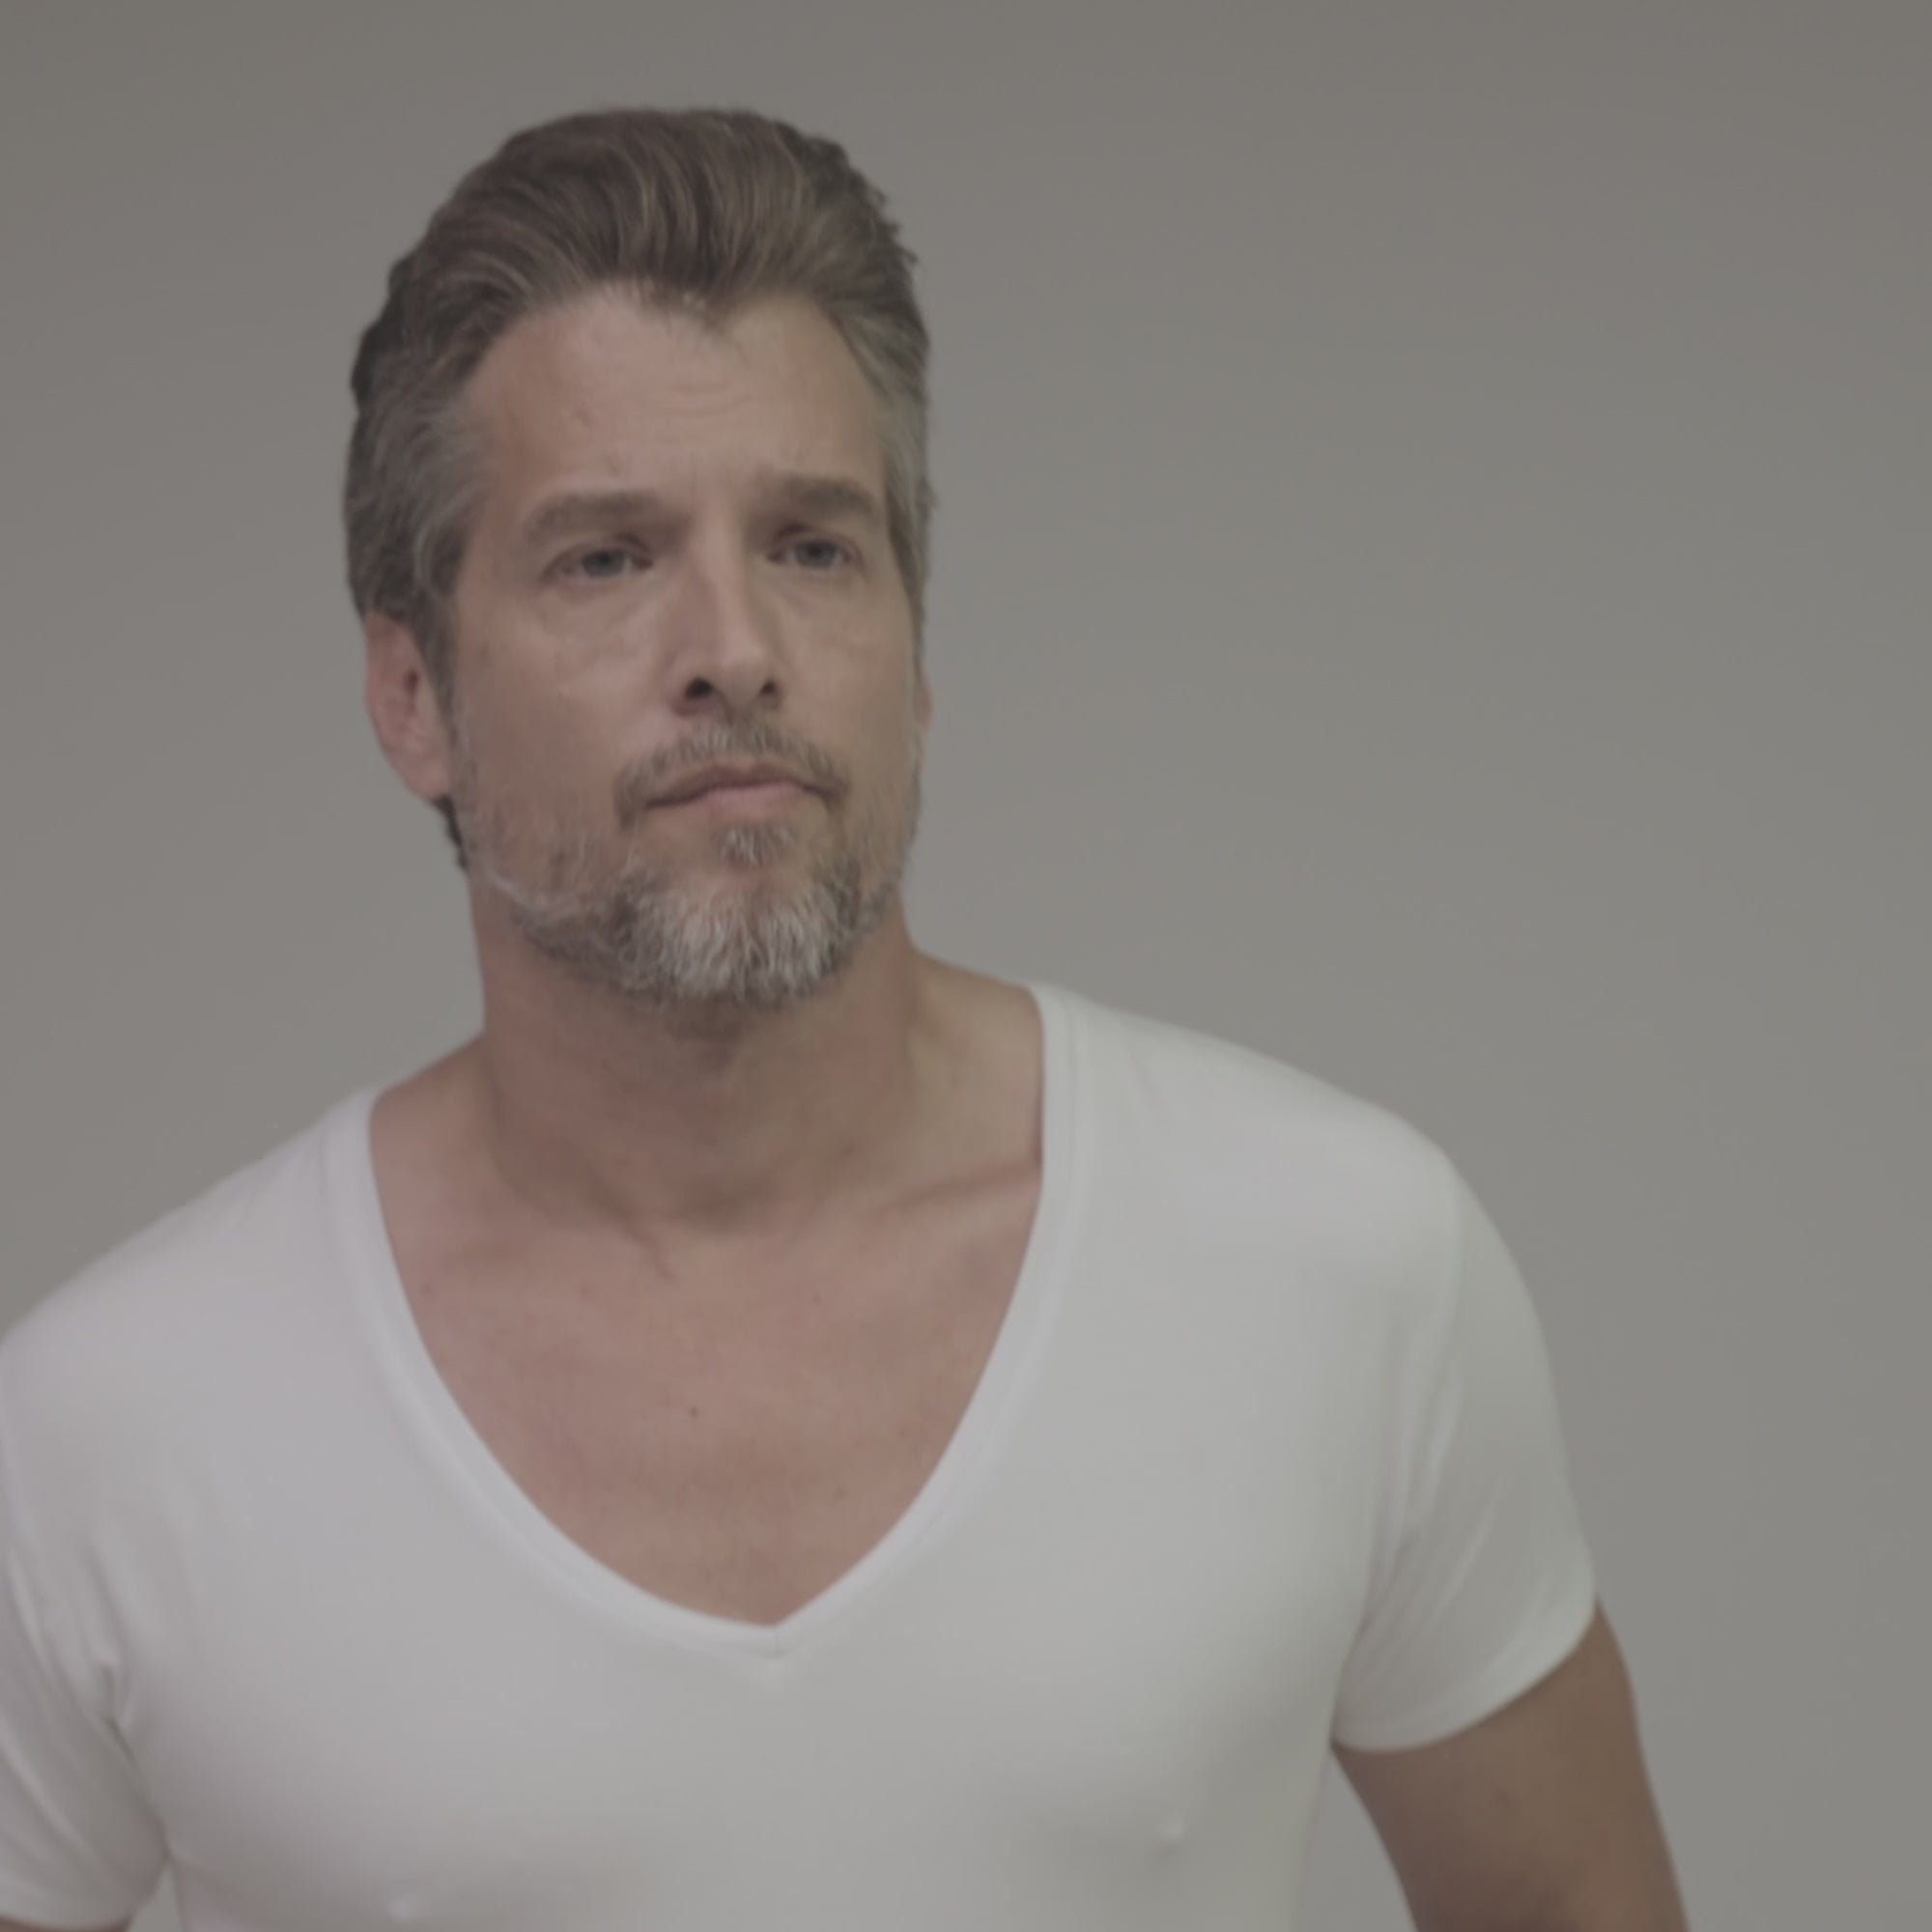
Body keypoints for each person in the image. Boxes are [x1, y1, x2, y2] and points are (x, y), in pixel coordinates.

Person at [0, 107, 1689, 1932]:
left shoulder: (1339, 1263)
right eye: (606, 558)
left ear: (917, 649)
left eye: (813, 546)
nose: (735, 648)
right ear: (412, 694)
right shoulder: (119, 1430)